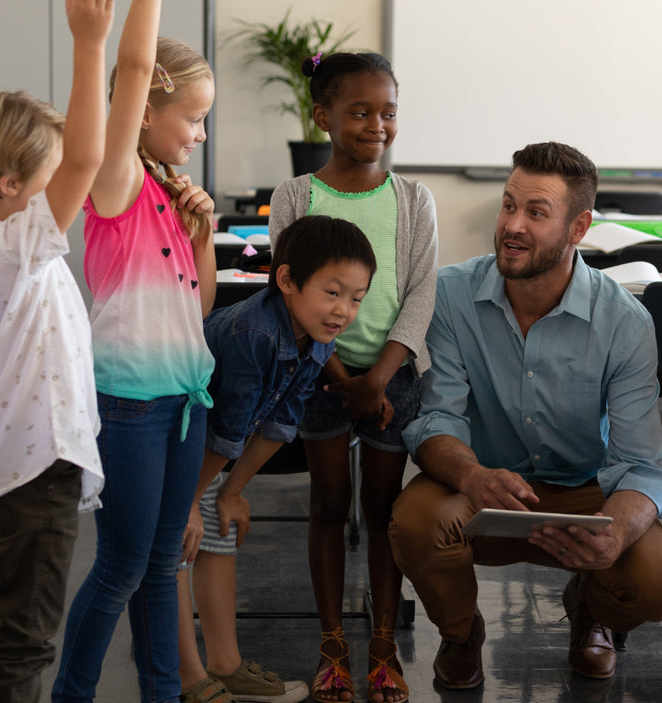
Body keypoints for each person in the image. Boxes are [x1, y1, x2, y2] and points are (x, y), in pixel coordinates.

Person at [390, 142, 662, 690]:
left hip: (585, 492)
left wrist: (617, 534)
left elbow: (641, 463)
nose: (513, 225)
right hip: (482, 485)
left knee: (657, 583)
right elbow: (436, 421)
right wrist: (472, 476)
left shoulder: (624, 321)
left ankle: (592, 608)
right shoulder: (451, 296)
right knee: (415, 522)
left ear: (579, 229)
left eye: (536, 213)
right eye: (509, 205)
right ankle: (461, 635)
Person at [0, 1, 112, 699]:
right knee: (24, 640)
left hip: (13, 469)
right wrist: (90, 43)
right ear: (12, 186)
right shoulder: (15, 246)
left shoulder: (0, 252)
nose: (65, 188)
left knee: (1, 628)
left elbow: (77, 156)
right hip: (31, 472)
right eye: (49, 175)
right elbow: (88, 156)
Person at [52, 1, 222, 698]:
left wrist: (203, 233)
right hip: (129, 404)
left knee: (160, 565)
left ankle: (164, 692)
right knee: (122, 566)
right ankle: (72, 692)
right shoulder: (115, 185)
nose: (201, 133)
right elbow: (128, 65)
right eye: (193, 116)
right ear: (146, 110)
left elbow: (199, 306)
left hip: (184, 400)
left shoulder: (168, 192)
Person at [267, 51, 438, 703]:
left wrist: (380, 375)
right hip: (321, 374)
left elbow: (420, 293)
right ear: (323, 115)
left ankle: (385, 646)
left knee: (384, 511)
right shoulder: (295, 196)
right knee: (329, 506)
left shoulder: (413, 198)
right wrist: (338, 371)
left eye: (388, 111)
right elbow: (290, 293)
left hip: (391, 377)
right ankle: (333, 645)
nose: (377, 124)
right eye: (360, 110)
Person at [175, 216, 376, 703]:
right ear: (286, 281)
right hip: (174, 443)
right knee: (173, 551)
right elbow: (227, 432)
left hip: (209, 451)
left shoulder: (319, 336)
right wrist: (186, 501)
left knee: (218, 535)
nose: (343, 310)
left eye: (357, 298)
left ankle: (226, 665)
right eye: (332, 293)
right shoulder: (256, 334)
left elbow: (279, 423)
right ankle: (184, 675)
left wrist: (231, 492)